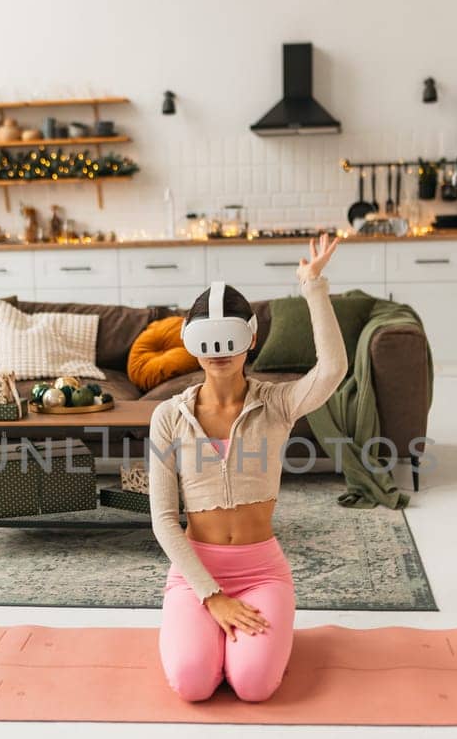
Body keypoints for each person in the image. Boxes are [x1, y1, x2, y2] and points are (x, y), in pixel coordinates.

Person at [147, 233, 347, 702]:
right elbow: (162, 519)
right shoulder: (168, 418)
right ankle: (203, 635)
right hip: (196, 570)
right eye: (208, 341)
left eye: (231, 340)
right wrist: (210, 595)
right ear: (190, 343)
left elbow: (333, 369)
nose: (219, 352)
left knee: (254, 686)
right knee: (192, 684)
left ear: (251, 338)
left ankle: (248, 646)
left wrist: (313, 287)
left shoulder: (278, 405)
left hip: (261, 572)